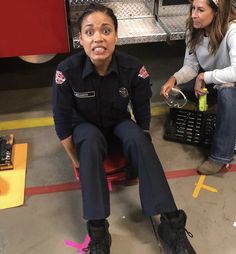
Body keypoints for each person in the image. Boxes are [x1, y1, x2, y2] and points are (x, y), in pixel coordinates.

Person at [52, 3, 196, 254]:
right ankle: (98, 232)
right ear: (81, 40)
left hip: (118, 122)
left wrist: (137, 158)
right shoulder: (67, 72)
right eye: (89, 32)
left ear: (116, 36)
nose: (98, 38)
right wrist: (77, 162)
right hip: (84, 128)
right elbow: (63, 125)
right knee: (89, 139)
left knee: (138, 138)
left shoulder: (133, 69)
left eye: (106, 30)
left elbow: (142, 116)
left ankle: (171, 224)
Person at [161, 0, 236, 175]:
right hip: (215, 81)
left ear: (216, 12)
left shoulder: (232, 31)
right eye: (193, 8)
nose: (194, 14)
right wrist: (174, 79)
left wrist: (205, 77)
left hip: (230, 84)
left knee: (227, 92)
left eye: (200, 10)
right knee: (178, 92)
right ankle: (223, 112)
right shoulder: (194, 29)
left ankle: (220, 157)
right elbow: (191, 66)